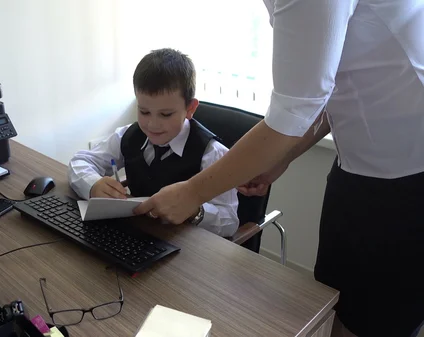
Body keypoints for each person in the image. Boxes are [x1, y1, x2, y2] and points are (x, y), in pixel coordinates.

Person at [135, 1, 424, 336]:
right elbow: (334, 93)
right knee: (332, 303)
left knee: (374, 322)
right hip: (355, 170)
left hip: (407, 183)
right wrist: (282, 156)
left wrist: (192, 192)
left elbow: (295, 107)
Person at [68, 48, 239, 238]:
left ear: (190, 108)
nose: (152, 124)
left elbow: (230, 222)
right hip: (138, 237)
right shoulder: (128, 135)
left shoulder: (212, 154)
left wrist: (194, 209)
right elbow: (80, 161)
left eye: (166, 114)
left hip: (188, 248)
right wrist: (93, 185)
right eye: (144, 112)